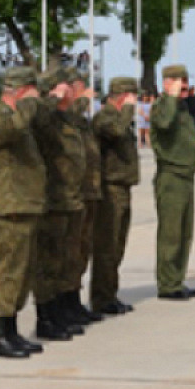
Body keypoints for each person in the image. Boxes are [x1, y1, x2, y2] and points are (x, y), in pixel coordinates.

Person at [0, 66, 47, 359]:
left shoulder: (18, 118)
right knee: (9, 272)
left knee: (23, 272)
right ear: (20, 92)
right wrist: (29, 104)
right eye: (31, 92)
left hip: (26, 204)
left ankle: (11, 330)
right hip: (11, 205)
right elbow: (8, 132)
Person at [32, 67, 88, 341]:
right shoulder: (47, 118)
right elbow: (38, 118)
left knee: (66, 259)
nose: (71, 91)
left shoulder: (65, 119)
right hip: (53, 199)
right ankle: (46, 318)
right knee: (49, 262)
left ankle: (62, 311)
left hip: (70, 196)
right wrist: (53, 96)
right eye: (66, 87)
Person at [151, 65, 195, 300]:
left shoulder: (182, 108)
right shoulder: (163, 106)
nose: (185, 87)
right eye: (180, 82)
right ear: (168, 83)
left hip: (186, 177)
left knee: (184, 232)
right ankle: (168, 284)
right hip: (171, 176)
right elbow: (163, 124)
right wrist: (170, 96)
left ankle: (177, 279)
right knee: (170, 233)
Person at [91, 77, 140, 315]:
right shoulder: (105, 117)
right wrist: (128, 109)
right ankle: (101, 297)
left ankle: (110, 293)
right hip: (110, 188)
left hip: (122, 186)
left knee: (117, 244)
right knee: (107, 246)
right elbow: (117, 133)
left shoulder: (118, 117)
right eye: (132, 96)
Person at [64, 71, 105, 326]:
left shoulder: (81, 119)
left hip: (88, 191)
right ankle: (63, 306)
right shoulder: (65, 116)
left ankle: (74, 302)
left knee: (82, 250)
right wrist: (79, 100)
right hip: (71, 193)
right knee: (69, 252)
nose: (85, 92)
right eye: (80, 87)